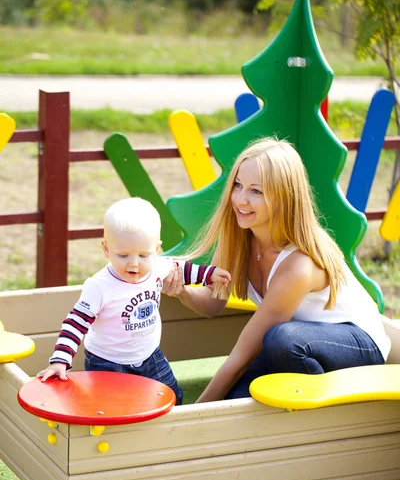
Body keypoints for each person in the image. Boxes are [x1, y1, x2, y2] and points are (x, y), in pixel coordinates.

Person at [163, 137, 391, 403]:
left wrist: (194, 415)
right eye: (238, 185)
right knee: (236, 399)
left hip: (356, 342)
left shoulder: (298, 264)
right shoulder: (239, 237)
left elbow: (242, 355)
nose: (240, 199)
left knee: (281, 339)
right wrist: (183, 293)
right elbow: (214, 302)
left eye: (256, 191)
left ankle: (320, 410)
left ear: (283, 197)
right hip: (299, 343)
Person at [36, 197, 231, 405]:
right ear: (106, 249)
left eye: (143, 255)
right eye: (123, 255)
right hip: (107, 363)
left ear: (156, 250)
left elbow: (185, 271)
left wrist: (211, 274)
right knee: (112, 407)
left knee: (173, 398)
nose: (134, 264)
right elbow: (75, 323)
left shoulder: (158, 266)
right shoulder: (100, 286)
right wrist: (60, 360)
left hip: (149, 355)